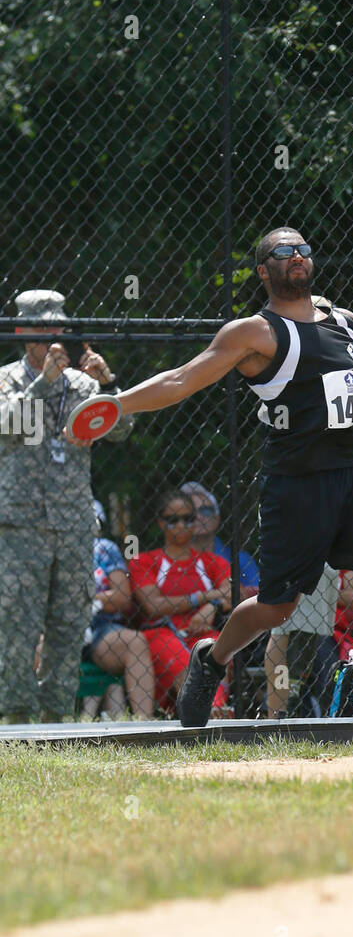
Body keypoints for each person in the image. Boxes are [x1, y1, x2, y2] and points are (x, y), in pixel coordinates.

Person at [91, 228, 353, 726]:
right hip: (295, 485)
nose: (296, 256)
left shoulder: (345, 323)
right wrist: (118, 403)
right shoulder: (253, 333)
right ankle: (210, 661)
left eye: (304, 250)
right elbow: (182, 378)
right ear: (263, 270)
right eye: (283, 251)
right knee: (277, 606)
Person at [0, 288, 134, 722]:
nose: (52, 340)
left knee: (68, 623)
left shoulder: (83, 383)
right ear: (21, 331)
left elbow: (122, 429)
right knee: (18, 625)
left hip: (75, 523)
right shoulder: (6, 380)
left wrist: (109, 384)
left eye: (58, 329)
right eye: (42, 331)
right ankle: (17, 721)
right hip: (20, 525)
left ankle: (57, 720)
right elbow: (8, 426)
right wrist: (47, 381)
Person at [127, 491, 232, 715]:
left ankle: (215, 709)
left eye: (188, 518)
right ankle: (207, 711)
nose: (182, 525)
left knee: (218, 646)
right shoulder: (144, 561)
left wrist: (211, 607)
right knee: (183, 659)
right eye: (173, 520)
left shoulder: (212, 561)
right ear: (161, 523)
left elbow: (233, 593)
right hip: (160, 632)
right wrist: (204, 597)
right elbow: (154, 606)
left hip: (201, 630)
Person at [83, 499, 155, 718]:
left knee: (135, 641)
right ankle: (33, 722)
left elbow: (122, 596)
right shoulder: (46, 544)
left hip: (99, 627)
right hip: (54, 627)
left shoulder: (104, 549)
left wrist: (91, 601)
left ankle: (145, 723)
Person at [265, 563, 340, 717]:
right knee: (288, 630)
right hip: (306, 552)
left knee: (287, 630)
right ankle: (279, 715)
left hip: (308, 551)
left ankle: (279, 715)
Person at [179, 481, 260, 598]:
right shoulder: (166, 562)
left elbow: (260, 597)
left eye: (205, 510)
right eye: (190, 513)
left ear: (217, 518)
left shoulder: (240, 559)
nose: (198, 517)